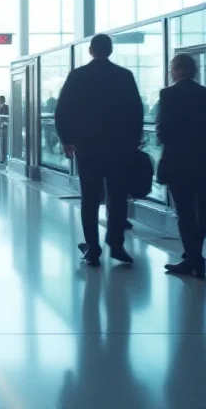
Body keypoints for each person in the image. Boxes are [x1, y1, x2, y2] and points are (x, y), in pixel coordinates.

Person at [55, 34, 144, 266]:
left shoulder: (78, 76)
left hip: (88, 146)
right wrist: (134, 141)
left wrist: (66, 139)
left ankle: (93, 248)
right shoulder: (124, 76)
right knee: (117, 196)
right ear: (111, 50)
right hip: (119, 147)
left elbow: (63, 109)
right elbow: (136, 111)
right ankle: (116, 244)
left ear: (91, 51)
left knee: (90, 198)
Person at [156, 54, 206, 277]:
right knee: (202, 210)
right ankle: (195, 255)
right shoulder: (204, 94)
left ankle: (194, 259)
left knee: (184, 212)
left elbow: (163, 131)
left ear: (175, 70)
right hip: (202, 160)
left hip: (178, 162)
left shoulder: (168, 95)